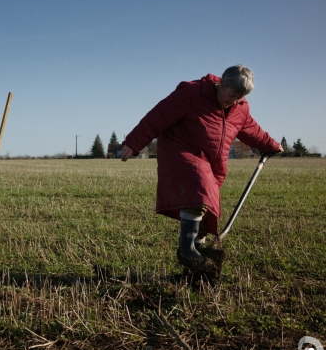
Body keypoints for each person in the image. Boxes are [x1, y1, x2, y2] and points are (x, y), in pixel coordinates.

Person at [121, 65, 283, 273]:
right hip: (181, 152)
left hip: (212, 162)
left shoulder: (240, 108)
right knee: (200, 188)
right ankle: (187, 249)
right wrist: (134, 141)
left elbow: (251, 129)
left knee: (208, 207)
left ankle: (196, 259)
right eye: (231, 95)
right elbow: (158, 116)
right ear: (221, 83)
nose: (232, 102)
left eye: (238, 99)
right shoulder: (192, 93)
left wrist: (271, 145)